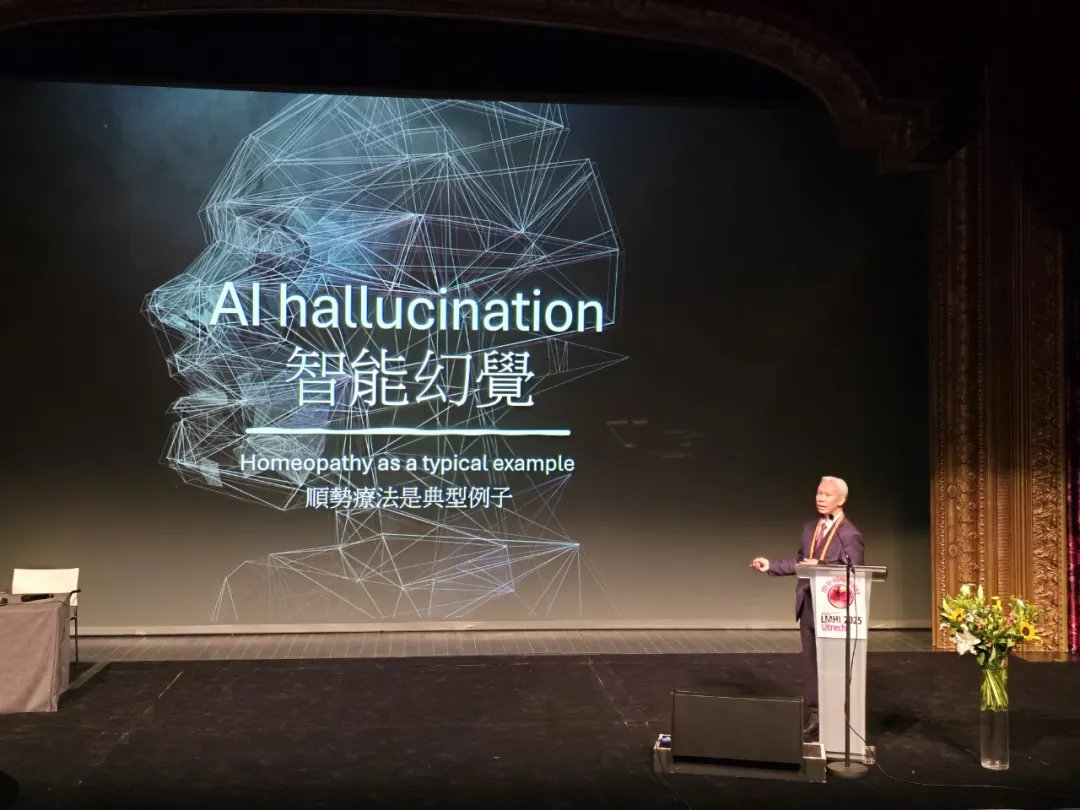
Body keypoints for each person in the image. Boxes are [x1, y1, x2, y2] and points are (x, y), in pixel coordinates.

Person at [750, 476, 865, 737]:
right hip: (809, 606)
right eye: (818, 493)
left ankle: (839, 717)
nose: (820, 498)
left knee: (834, 666)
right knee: (812, 666)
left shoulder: (850, 535)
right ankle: (816, 715)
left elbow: (854, 573)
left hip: (835, 610)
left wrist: (821, 566)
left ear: (841, 500)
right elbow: (802, 561)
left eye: (827, 495)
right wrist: (771, 565)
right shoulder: (810, 528)